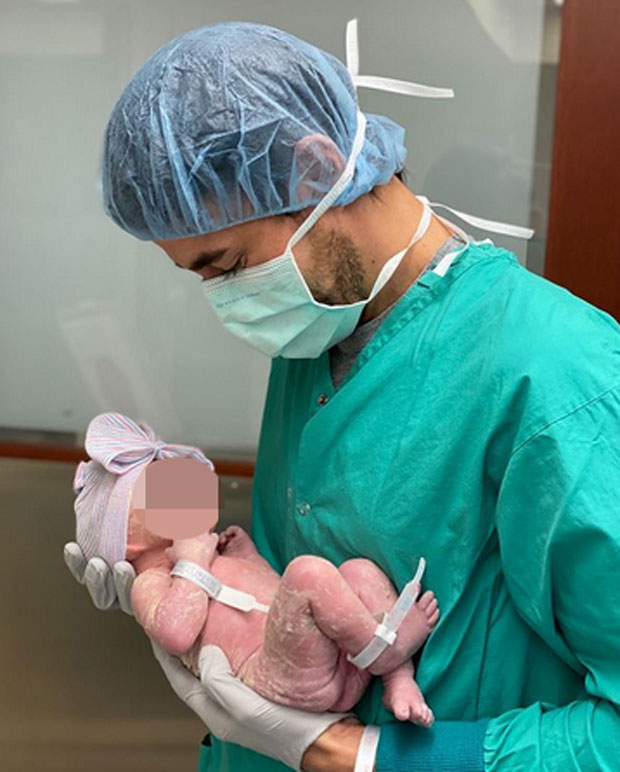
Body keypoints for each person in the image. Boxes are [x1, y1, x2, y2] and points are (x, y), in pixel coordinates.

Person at [63, 18, 620, 772]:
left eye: (227, 265)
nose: (226, 300)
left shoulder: (558, 374)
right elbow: (307, 549)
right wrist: (160, 551)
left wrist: (353, 755)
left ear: (314, 172)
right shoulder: (324, 323)